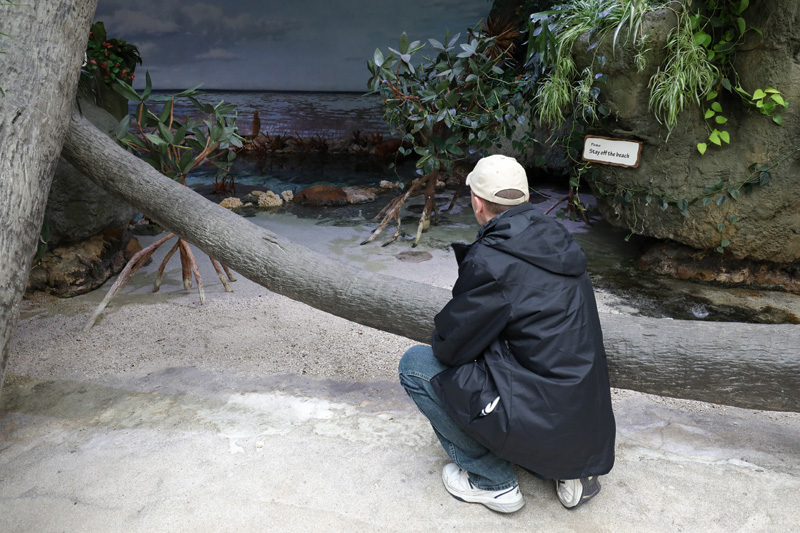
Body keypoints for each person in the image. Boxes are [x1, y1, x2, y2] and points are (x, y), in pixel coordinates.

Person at [398, 154, 616, 513]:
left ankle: (493, 482)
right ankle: (572, 471)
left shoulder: (492, 260)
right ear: (526, 200)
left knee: (416, 365)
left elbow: (449, 348)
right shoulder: (559, 239)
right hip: (585, 428)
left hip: (543, 415)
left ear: (478, 202)